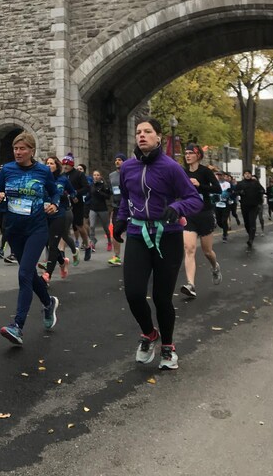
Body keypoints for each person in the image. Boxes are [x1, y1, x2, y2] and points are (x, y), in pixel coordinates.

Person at [115, 119, 203, 370]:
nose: (142, 136)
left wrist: (177, 207)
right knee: (133, 293)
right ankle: (149, 333)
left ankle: (168, 347)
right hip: (137, 233)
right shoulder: (128, 168)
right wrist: (120, 220)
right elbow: (126, 199)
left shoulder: (171, 168)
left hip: (168, 236)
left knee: (162, 298)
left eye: (148, 132)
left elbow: (194, 200)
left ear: (159, 138)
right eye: (138, 132)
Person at [0, 132, 60, 346]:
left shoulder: (42, 171)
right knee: (29, 273)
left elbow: (55, 193)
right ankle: (48, 303)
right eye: (15, 149)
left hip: (37, 229)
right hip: (14, 230)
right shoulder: (7, 170)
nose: (18, 152)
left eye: (22, 149)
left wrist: (54, 204)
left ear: (32, 150)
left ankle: (18, 326)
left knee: (23, 274)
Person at [179, 143, 221, 299]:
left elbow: (218, 189)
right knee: (189, 248)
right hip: (189, 214)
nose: (187, 155)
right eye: (186, 153)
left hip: (204, 214)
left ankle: (215, 266)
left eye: (191, 153)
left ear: (198, 155)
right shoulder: (182, 172)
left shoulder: (205, 172)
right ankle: (191, 285)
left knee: (207, 251)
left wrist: (200, 186)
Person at [42, 155, 76, 281]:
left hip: (59, 214)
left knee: (52, 244)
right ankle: (62, 262)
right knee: (46, 241)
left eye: (51, 163)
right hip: (44, 214)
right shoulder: (42, 179)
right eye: (47, 163)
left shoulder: (63, 180)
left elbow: (73, 192)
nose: (49, 165)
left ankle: (47, 275)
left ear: (57, 166)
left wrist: (70, 196)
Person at [61, 155, 90, 262]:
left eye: (67, 164)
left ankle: (87, 245)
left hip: (77, 204)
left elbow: (86, 188)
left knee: (79, 226)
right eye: (63, 164)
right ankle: (62, 252)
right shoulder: (62, 176)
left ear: (72, 165)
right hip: (65, 204)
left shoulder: (79, 174)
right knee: (64, 228)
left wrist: (75, 193)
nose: (65, 166)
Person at [233, 169, 265, 250]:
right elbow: (235, 192)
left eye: (249, 173)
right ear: (243, 175)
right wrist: (240, 192)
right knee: (247, 223)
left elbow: (262, 190)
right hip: (244, 205)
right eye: (246, 174)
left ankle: (251, 239)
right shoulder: (240, 183)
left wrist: (260, 192)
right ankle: (250, 233)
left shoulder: (255, 183)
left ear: (251, 175)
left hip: (254, 206)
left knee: (252, 222)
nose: (247, 175)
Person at [107, 154, 126, 263]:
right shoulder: (111, 175)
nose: (117, 162)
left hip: (128, 206)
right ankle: (116, 256)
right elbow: (111, 189)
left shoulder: (128, 173)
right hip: (116, 206)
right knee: (115, 230)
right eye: (116, 160)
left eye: (120, 160)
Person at [87, 170, 111, 252]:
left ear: (100, 176)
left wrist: (100, 192)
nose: (96, 176)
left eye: (97, 175)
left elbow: (108, 196)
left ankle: (109, 242)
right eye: (94, 175)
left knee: (106, 228)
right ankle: (92, 242)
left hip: (102, 208)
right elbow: (89, 195)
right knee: (92, 226)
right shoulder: (91, 185)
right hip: (93, 208)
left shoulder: (104, 185)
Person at [214, 172, 232, 241]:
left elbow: (228, 192)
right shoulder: (214, 184)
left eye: (220, 175)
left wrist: (226, 193)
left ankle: (225, 234)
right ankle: (225, 228)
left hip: (225, 204)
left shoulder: (227, 184)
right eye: (217, 175)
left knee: (224, 220)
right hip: (217, 204)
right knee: (219, 221)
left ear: (223, 176)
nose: (219, 177)